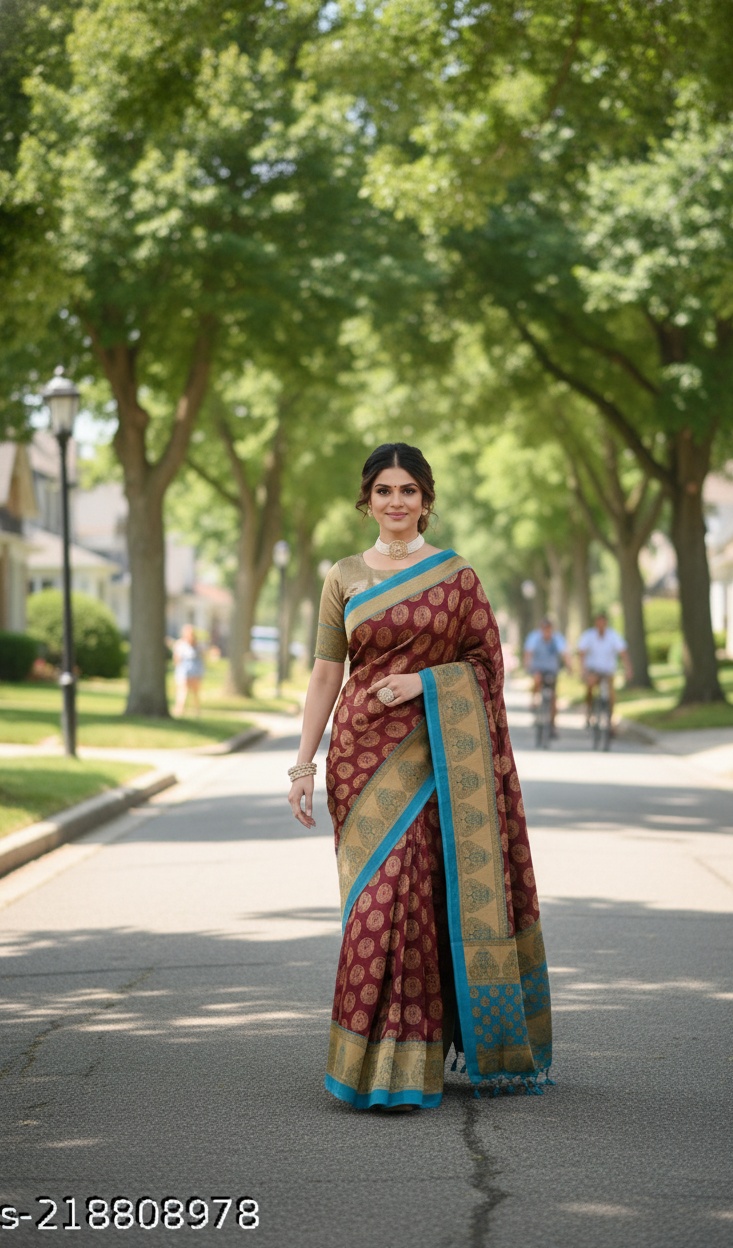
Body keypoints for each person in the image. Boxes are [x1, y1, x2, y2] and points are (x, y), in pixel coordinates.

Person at [287, 442, 552, 1111]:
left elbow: (487, 668)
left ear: (426, 500)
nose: (397, 502)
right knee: (374, 905)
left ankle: (412, 1061)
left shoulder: (456, 577)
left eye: (409, 490)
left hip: (435, 754)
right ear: (366, 500)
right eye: (384, 490)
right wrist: (303, 764)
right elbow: (325, 674)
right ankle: (371, 1061)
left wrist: (423, 684)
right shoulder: (343, 576)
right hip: (358, 757)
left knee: (420, 902)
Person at [577, 611, 632, 719]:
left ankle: (610, 721)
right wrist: (582, 669)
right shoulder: (589, 635)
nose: (601, 624)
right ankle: (589, 708)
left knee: (611, 693)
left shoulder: (613, 636)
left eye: (603, 622)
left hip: (608, 670)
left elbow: (623, 653)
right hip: (593, 669)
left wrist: (628, 669)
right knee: (590, 685)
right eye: (599, 622)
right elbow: (581, 653)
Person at [523, 617, 568, 737]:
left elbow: (565, 654)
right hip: (538, 668)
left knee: (553, 697)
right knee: (537, 679)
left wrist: (569, 667)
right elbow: (528, 653)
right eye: (544, 629)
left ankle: (552, 725)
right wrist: (527, 666)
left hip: (552, 670)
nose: (546, 631)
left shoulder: (557, 639)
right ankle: (534, 701)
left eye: (548, 629)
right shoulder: (534, 638)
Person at [171, 624, 204, 717]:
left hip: (195, 670)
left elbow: (202, 658)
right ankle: (180, 709)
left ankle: (197, 710)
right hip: (183, 670)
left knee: (195, 691)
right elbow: (176, 659)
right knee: (182, 690)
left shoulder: (198, 645)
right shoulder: (180, 644)